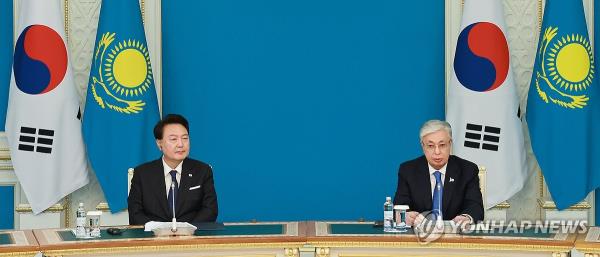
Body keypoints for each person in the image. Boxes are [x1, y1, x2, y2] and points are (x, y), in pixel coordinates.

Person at [128, 114, 218, 225]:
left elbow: (210, 210)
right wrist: (158, 230)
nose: (180, 144)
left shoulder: (202, 171)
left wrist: (188, 229)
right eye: (173, 139)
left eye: (185, 138)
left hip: (191, 238)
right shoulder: (142, 174)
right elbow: (135, 213)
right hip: (153, 238)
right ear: (159, 144)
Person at [393, 120, 483, 226]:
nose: (437, 152)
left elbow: (475, 206)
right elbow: (399, 206)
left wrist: (466, 217)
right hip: (419, 237)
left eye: (442, 145)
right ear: (423, 146)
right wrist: (404, 216)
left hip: (456, 236)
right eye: (430, 146)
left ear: (450, 144)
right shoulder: (408, 170)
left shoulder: (467, 170)